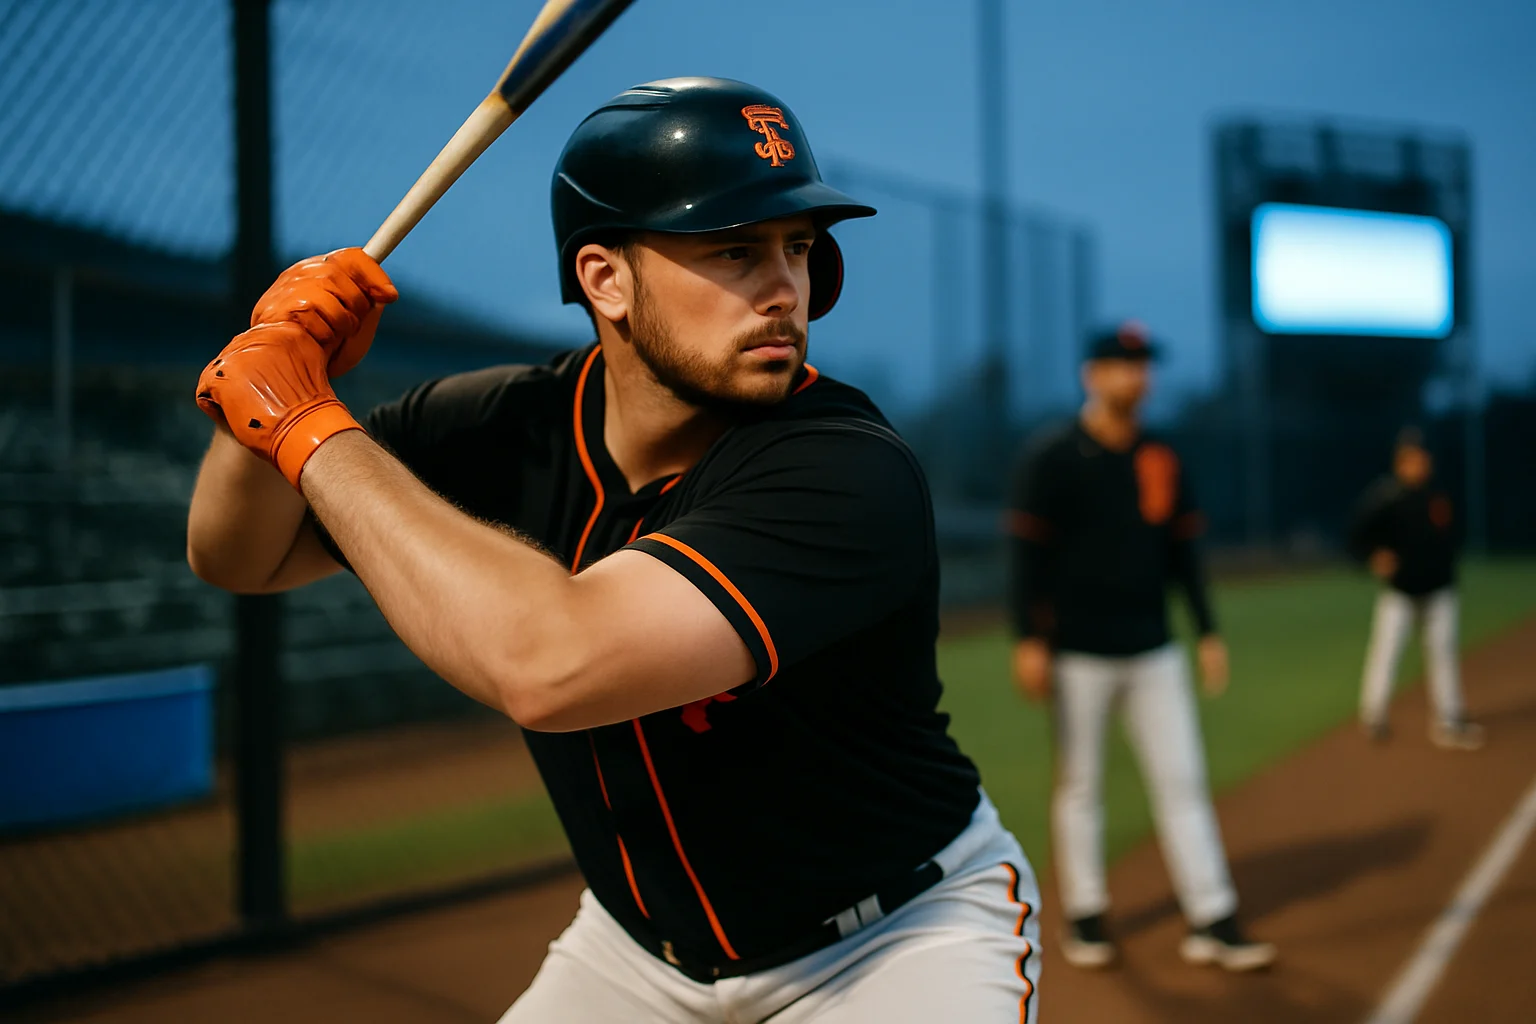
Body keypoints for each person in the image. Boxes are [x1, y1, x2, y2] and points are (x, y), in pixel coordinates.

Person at [186, 78, 1040, 1023]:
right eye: (734, 249)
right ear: (605, 278)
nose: (785, 289)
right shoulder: (505, 422)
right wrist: (264, 389)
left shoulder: (842, 466)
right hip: (641, 959)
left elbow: (552, 664)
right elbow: (240, 557)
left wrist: (305, 426)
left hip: (891, 943)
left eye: (797, 248)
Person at [1005, 321, 1275, 973]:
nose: (1139, 375)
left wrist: (1207, 630)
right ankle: (1088, 915)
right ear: (1091, 376)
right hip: (1078, 652)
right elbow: (1026, 557)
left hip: (1155, 648)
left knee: (1183, 781)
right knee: (1080, 786)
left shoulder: (1161, 455)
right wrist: (1028, 642)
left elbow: (1184, 551)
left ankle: (1213, 916)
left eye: (1145, 364)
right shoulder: (1054, 456)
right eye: (1125, 364)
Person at [1349, 427, 1483, 750]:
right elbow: (1357, 534)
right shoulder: (1386, 496)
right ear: (1399, 461)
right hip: (1400, 592)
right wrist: (1373, 556)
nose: (1415, 464)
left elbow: (1456, 532)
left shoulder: (1440, 494)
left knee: (1443, 655)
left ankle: (1448, 719)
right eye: (1409, 458)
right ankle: (1373, 715)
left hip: (1439, 590)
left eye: (1420, 457)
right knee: (1385, 652)